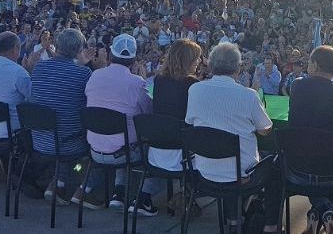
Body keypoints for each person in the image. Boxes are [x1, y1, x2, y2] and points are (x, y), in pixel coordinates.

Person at [185, 42, 282, 233]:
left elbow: (191, 122)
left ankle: (234, 220)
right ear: (238, 68)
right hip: (240, 176)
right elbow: (265, 130)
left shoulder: (195, 90)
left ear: (211, 66)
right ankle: (270, 225)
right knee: (277, 166)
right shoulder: (248, 96)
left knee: (233, 158)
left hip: (204, 171)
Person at [73, 34, 159, 216]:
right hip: (123, 152)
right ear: (134, 59)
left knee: (120, 135)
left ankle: (117, 193)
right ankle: (140, 196)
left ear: (111, 55)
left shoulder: (95, 76)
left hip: (95, 149)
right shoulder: (137, 83)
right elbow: (149, 114)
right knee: (150, 145)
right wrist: (142, 80)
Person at [288, 46, 333, 234]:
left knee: (311, 163)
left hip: (298, 165)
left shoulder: (296, 86)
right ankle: (328, 209)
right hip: (331, 168)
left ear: (316, 65)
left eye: (309, 62)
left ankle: (319, 210)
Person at [30, 28, 93, 204]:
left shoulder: (39, 67)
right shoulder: (83, 73)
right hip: (68, 142)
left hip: (40, 139)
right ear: (80, 50)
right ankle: (85, 189)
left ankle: (58, 184)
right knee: (97, 144)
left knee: (64, 128)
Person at [149, 39, 202, 175]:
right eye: (196, 58)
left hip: (156, 149)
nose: (199, 61)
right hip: (181, 153)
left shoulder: (159, 80)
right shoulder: (192, 85)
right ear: (187, 60)